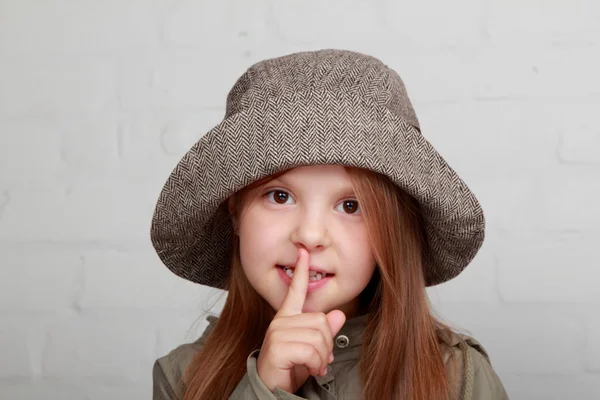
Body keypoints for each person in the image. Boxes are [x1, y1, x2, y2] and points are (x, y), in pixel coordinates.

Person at [149, 49, 509, 399]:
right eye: (279, 197)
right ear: (235, 213)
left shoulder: (456, 377)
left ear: (393, 232)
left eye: (351, 205)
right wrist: (264, 388)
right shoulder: (185, 378)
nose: (309, 235)